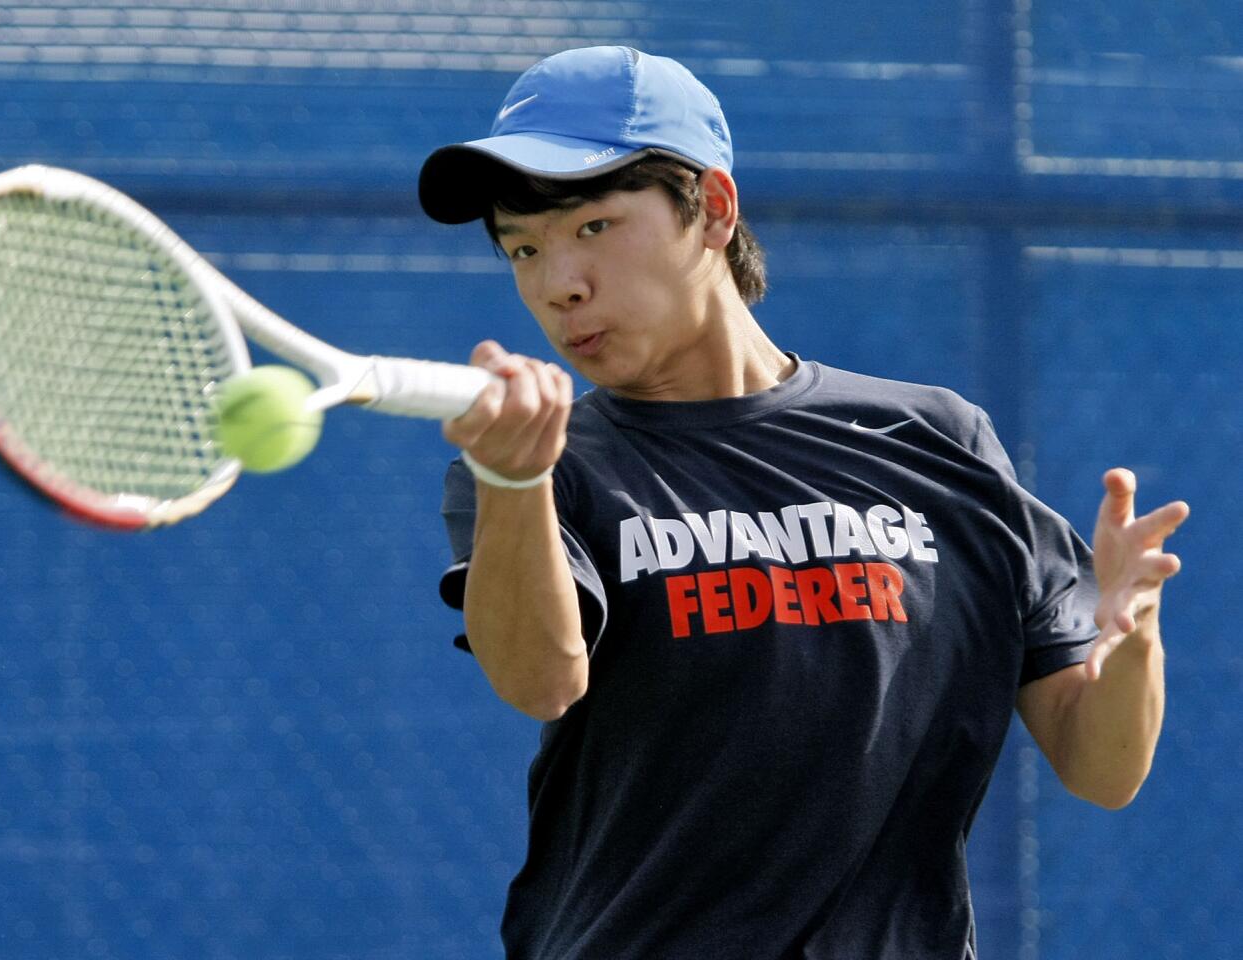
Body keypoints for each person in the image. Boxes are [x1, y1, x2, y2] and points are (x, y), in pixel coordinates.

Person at [418, 45, 1189, 959]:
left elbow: (1102, 766)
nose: (558, 284)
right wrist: (513, 481)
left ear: (712, 209)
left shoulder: (938, 438)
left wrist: (1132, 632)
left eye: (592, 227)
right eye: (524, 248)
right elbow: (541, 679)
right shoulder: (543, 468)